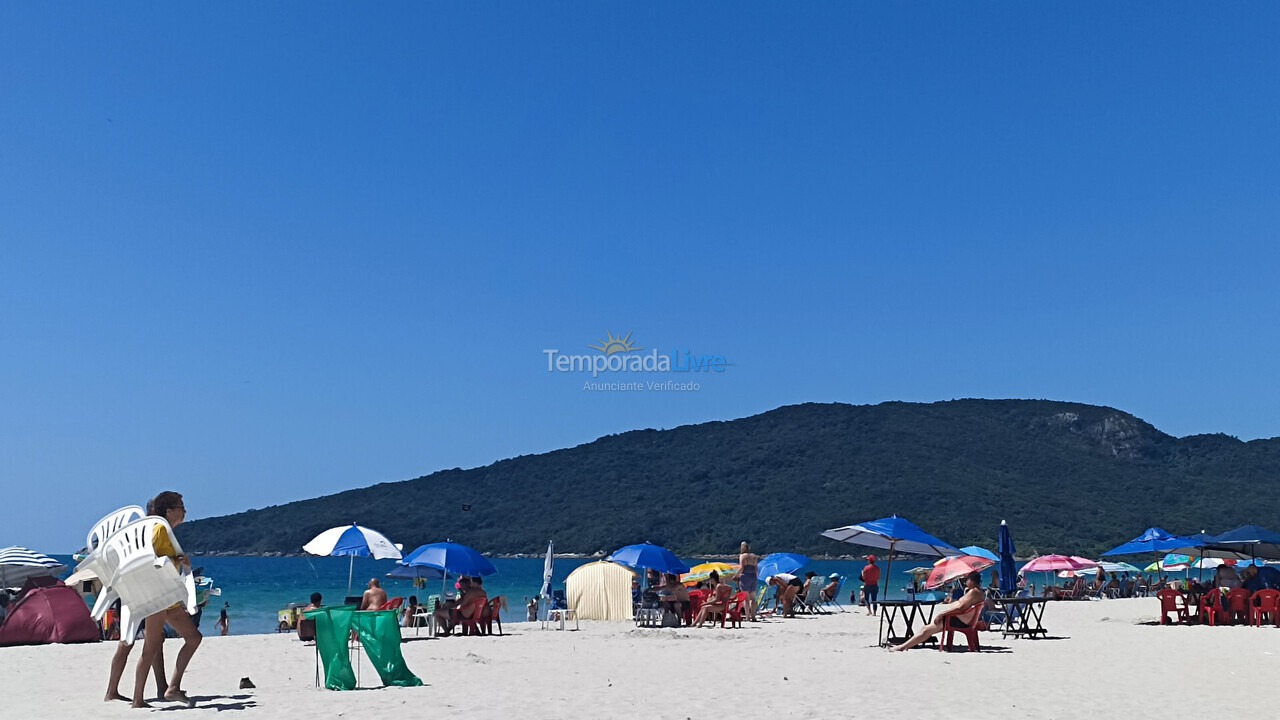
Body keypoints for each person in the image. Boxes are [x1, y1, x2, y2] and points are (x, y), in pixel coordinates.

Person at [132, 491, 201, 708]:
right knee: (151, 646)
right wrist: (175, 560)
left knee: (194, 638)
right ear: (169, 511)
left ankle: (172, 688)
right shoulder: (160, 528)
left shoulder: (165, 530)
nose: (185, 511)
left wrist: (178, 560)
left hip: (167, 595)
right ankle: (137, 700)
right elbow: (149, 558)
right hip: (157, 594)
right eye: (181, 507)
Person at [891, 571, 985, 652]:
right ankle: (906, 645)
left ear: (971, 581)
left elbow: (960, 608)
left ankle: (902, 647)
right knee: (926, 629)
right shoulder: (977, 592)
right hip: (959, 619)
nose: (965, 582)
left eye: (967, 580)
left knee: (926, 630)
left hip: (956, 620)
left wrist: (942, 614)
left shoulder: (973, 592)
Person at [738, 542, 760, 621]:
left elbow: (741, 568)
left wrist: (736, 575)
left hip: (745, 576)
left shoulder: (742, 556)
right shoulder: (754, 556)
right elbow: (756, 568)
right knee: (753, 598)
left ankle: (748, 617)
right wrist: (757, 577)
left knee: (746, 598)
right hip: (753, 576)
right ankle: (753, 616)